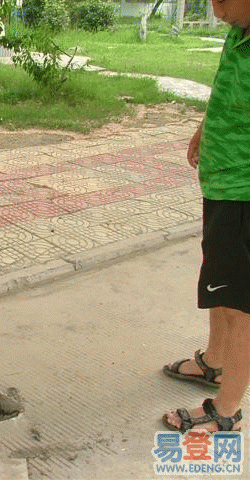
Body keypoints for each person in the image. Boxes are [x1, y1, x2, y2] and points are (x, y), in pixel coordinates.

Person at [162, 0, 250, 432]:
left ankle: (228, 408)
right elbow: (225, 92)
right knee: (218, 277)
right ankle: (214, 361)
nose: (213, 8)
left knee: (241, 304)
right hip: (221, 183)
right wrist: (204, 128)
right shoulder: (239, 33)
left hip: (245, 194)